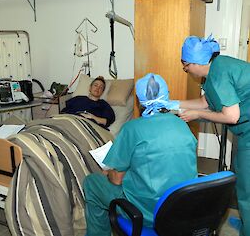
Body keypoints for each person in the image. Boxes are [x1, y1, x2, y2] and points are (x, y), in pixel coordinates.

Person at [83, 73, 198, 236]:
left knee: (92, 183)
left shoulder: (132, 129)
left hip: (148, 214)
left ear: (139, 100)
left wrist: (108, 172)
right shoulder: (183, 125)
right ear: (167, 95)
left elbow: (117, 180)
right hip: (182, 208)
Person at [178, 35, 250, 236]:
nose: (186, 71)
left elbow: (231, 116)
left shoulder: (218, 74)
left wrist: (197, 115)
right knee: (242, 175)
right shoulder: (217, 68)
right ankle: (246, 222)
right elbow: (204, 102)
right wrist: (172, 103)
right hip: (246, 130)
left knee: (247, 188)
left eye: (185, 66)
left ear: (194, 62)